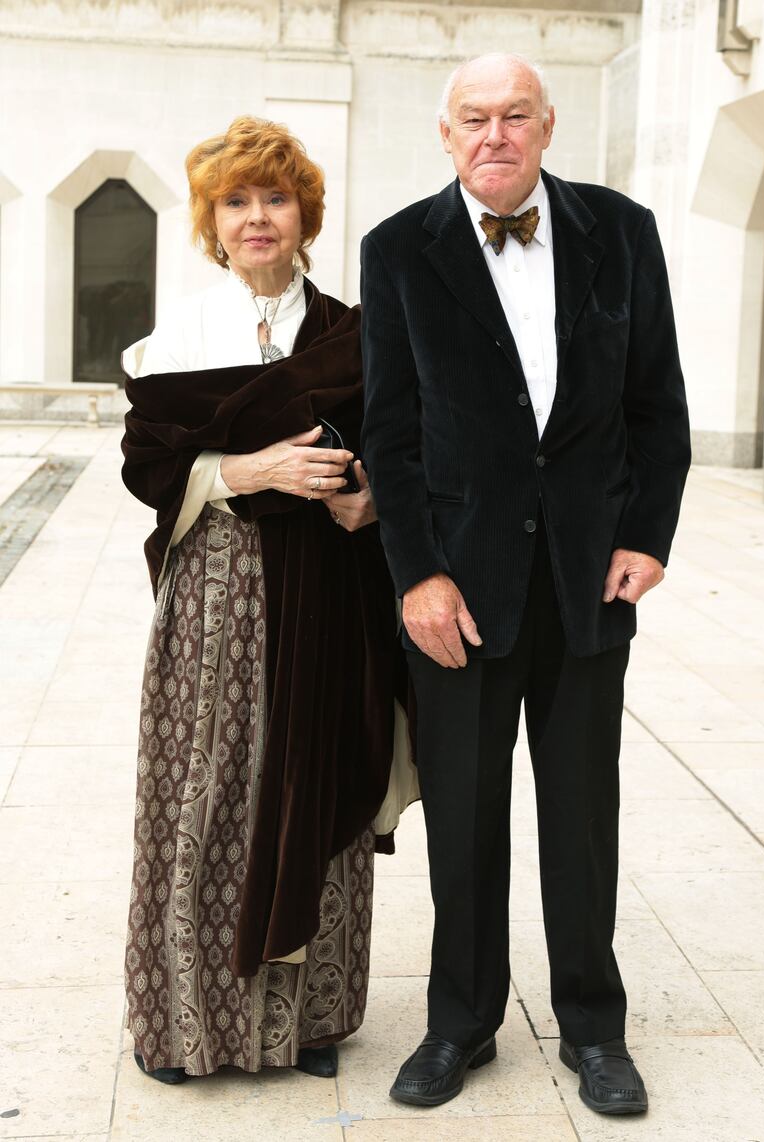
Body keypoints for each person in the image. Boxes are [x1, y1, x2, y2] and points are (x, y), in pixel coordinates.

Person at [360, 53, 691, 1115]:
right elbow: (390, 434)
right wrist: (416, 574)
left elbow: (656, 402)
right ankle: (460, 1021)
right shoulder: (397, 249)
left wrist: (647, 534)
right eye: (472, 118)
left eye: (513, 115)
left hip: (586, 577)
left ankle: (593, 1026)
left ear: (546, 127)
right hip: (458, 586)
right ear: (444, 135)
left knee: (581, 813)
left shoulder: (621, 231)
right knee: (462, 815)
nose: (492, 134)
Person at [121, 116, 414, 1084]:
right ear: (211, 220)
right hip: (216, 589)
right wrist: (251, 468)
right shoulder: (179, 334)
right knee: (201, 790)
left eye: (274, 198)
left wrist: (371, 499)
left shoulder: (353, 334)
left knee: (312, 777)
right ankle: (186, 1024)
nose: (257, 217)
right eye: (236, 201)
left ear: (304, 215)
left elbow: (403, 453)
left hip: (325, 593)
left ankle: (312, 1019)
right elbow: (151, 464)